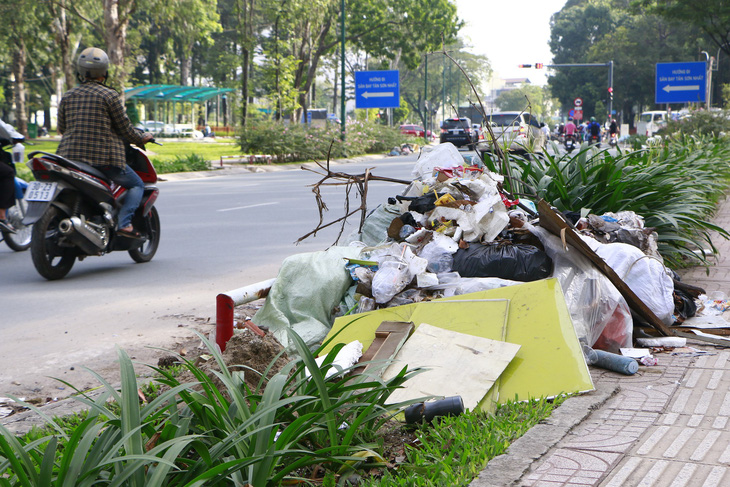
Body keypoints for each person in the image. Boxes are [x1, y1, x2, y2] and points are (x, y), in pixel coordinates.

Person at [56, 47, 153, 238]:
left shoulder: (68, 96)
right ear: (105, 72)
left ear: (80, 71)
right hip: (104, 160)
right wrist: (142, 137)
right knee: (137, 184)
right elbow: (125, 128)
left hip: (68, 158)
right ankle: (124, 224)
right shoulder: (109, 96)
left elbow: (62, 128)